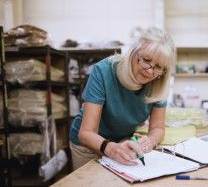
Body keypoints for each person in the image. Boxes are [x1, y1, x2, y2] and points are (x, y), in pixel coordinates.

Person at [69, 27, 176, 170]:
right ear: (133, 52)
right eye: (146, 60)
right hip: (88, 145)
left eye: (158, 67)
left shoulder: (158, 83)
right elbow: (86, 133)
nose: (150, 71)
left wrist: (150, 141)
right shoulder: (104, 71)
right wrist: (110, 148)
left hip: (122, 143)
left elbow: (157, 127)